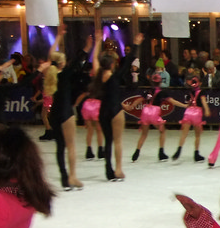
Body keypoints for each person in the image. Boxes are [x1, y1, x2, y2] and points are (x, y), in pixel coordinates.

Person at [45, 26, 92, 191]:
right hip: (66, 113)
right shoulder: (65, 74)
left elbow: (50, 56)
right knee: (71, 146)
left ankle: (64, 178)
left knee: (60, 147)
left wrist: (58, 37)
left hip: (54, 114)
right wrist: (87, 47)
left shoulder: (49, 73)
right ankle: (72, 176)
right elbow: (78, 59)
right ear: (62, 63)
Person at [92, 31, 141, 181]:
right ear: (112, 64)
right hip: (115, 110)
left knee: (108, 141)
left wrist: (98, 42)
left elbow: (94, 59)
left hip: (103, 111)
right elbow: (128, 61)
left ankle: (108, 170)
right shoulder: (115, 76)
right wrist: (136, 44)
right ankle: (118, 169)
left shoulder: (98, 75)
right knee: (118, 140)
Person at [130, 73, 175, 163]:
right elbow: (173, 101)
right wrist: (184, 105)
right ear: (160, 82)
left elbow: (139, 99)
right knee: (162, 131)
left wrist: (131, 106)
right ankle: (161, 153)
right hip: (154, 112)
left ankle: (136, 153)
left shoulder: (148, 91)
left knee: (144, 134)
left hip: (145, 111)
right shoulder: (162, 92)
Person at [172, 76, 210, 163]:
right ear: (200, 83)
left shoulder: (190, 92)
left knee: (184, 134)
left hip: (188, 112)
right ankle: (196, 154)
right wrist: (207, 110)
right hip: (197, 113)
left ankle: (178, 150)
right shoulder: (202, 92)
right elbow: (203, 101)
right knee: (197, 135)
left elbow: (189, 102)